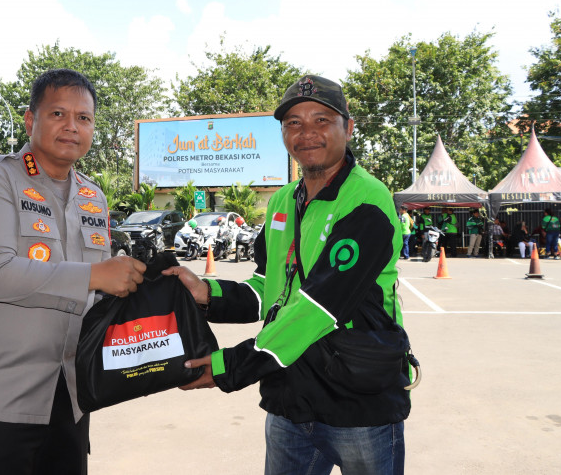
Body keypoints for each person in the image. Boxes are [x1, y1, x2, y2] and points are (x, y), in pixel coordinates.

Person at [163, 75, 410, 474]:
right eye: (294, 122)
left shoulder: (368, 200)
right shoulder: (281, 200)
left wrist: (231, 366)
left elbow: (318, 308)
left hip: (359, 404)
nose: (306, 132)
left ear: (348, 127)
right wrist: (206, 292)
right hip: (290, 400)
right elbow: (269, 289)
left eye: (321, 120)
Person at [0, 69, 146, 474]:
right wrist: (95, 276)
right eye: (58, 114)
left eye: (84, 118)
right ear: (30, 120)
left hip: (70, 393)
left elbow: (102, 291)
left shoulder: (93, 196)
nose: (72, 126)